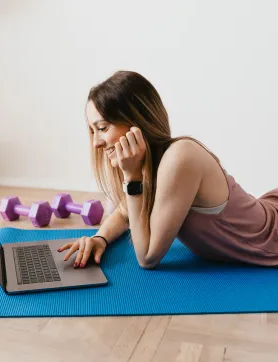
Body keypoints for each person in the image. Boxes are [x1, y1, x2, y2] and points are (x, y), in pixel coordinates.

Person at [58, 70, 278, 269]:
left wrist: (131, 177)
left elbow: (148, 257)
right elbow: (125, 213)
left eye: (103, 128)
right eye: (92, 131)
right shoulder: (154, 163)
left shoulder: (180, 157)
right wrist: (100, 238)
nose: (96, 142)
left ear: (136, 122)